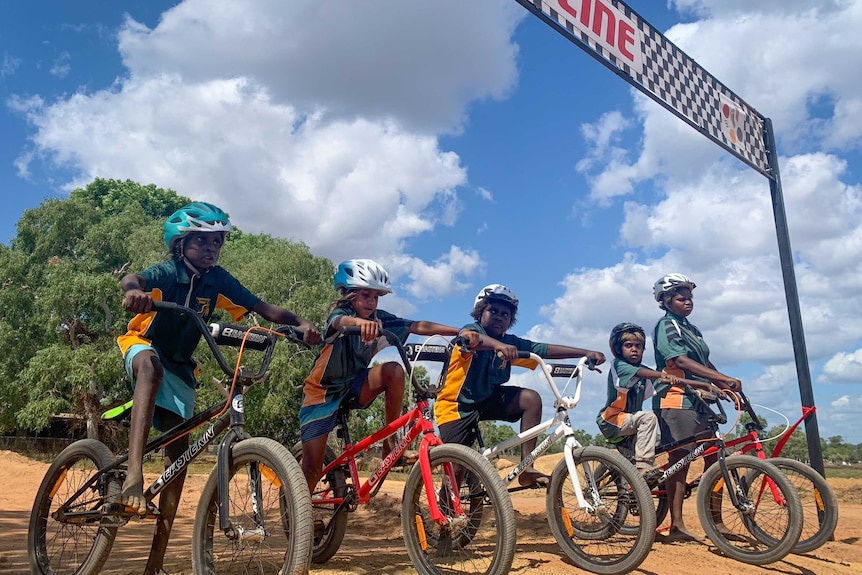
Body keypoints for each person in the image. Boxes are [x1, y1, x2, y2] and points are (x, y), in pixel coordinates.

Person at [116, 201, 322, 575]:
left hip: (181, 366)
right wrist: (134, 293)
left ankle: (154, 566)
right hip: (143, 345)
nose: (212, 248)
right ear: (181, 244)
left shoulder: (219, 280)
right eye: (203, 241)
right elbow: (135, 279)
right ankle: (132, 474)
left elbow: (261, 307)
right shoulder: (170, 270)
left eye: (217, 242)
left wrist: (300, 322)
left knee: (177, 460)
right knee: (150, 367)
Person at [299, 259, 476, 492]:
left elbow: (416, 325)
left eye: (376, 297)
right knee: (311, 469)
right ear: (349, 295)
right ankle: (298, 515)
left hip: (355, 385)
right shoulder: (341, 313)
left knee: (394, 370)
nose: (371, 302)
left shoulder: (379, 319)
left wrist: (459, 331)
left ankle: (390, 442)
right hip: (322, 393)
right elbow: (338, 322)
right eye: (365, 295)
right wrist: (359, 323)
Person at [435, 284, 606, 487]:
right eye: (493, 311)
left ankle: (527, 469)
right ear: (480, 312)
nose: (499, 317)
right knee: (455, 470)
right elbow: (471, 338)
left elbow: (542, 349)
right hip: (456, 406)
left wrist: (585, 352)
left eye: (505, 314)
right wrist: (497, 345)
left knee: (531, 399)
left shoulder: (510, 343)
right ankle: (444, 515)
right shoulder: (472, 331)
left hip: (487, 400)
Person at [651, 273, 741, 543]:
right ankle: (676, 524)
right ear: (666, 300)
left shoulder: (691, 328)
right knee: (681, 460)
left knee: (714, 458)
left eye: (689, 297)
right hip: (676, 398)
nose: (688, 302)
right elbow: (680, 360)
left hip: (701, 400)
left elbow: (705, 362)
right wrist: (721, 379)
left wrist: (724, 383)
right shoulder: (667, 326)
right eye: (681, 298)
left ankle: (718, 524)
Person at [596, 322, 679, 486]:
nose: (634, 349)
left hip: (631, 423)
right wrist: (663, 375)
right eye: (628, 345)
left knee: (641, 454)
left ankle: (636, 487)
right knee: (648, 418)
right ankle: (644, 466)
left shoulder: (645, 372)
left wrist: (700, 388)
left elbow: (664, 383)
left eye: (639, 346)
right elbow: (646, 374)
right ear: (618, 349)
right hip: (612, 420)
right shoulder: (619, 365)